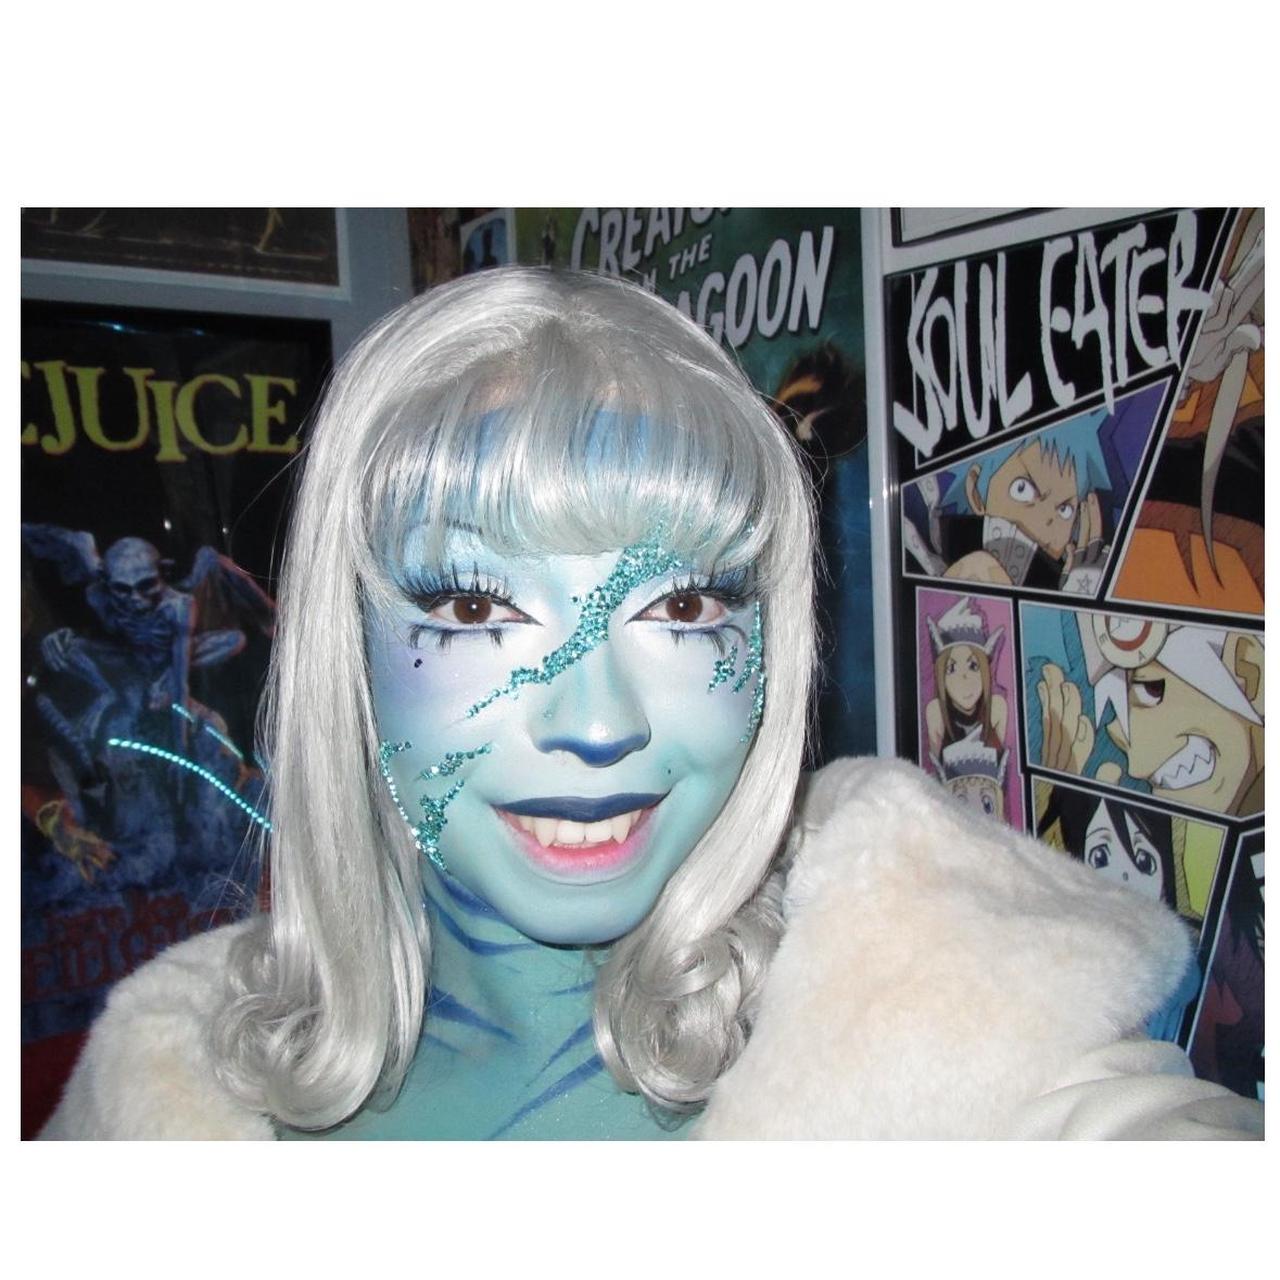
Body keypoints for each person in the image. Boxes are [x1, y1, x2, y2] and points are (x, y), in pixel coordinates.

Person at [40, 269, 1262, 1140]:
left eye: (680, 605)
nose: (594, 721)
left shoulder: (956, 1009)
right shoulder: (161, 1096)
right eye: (473, 606)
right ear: (344, 655)